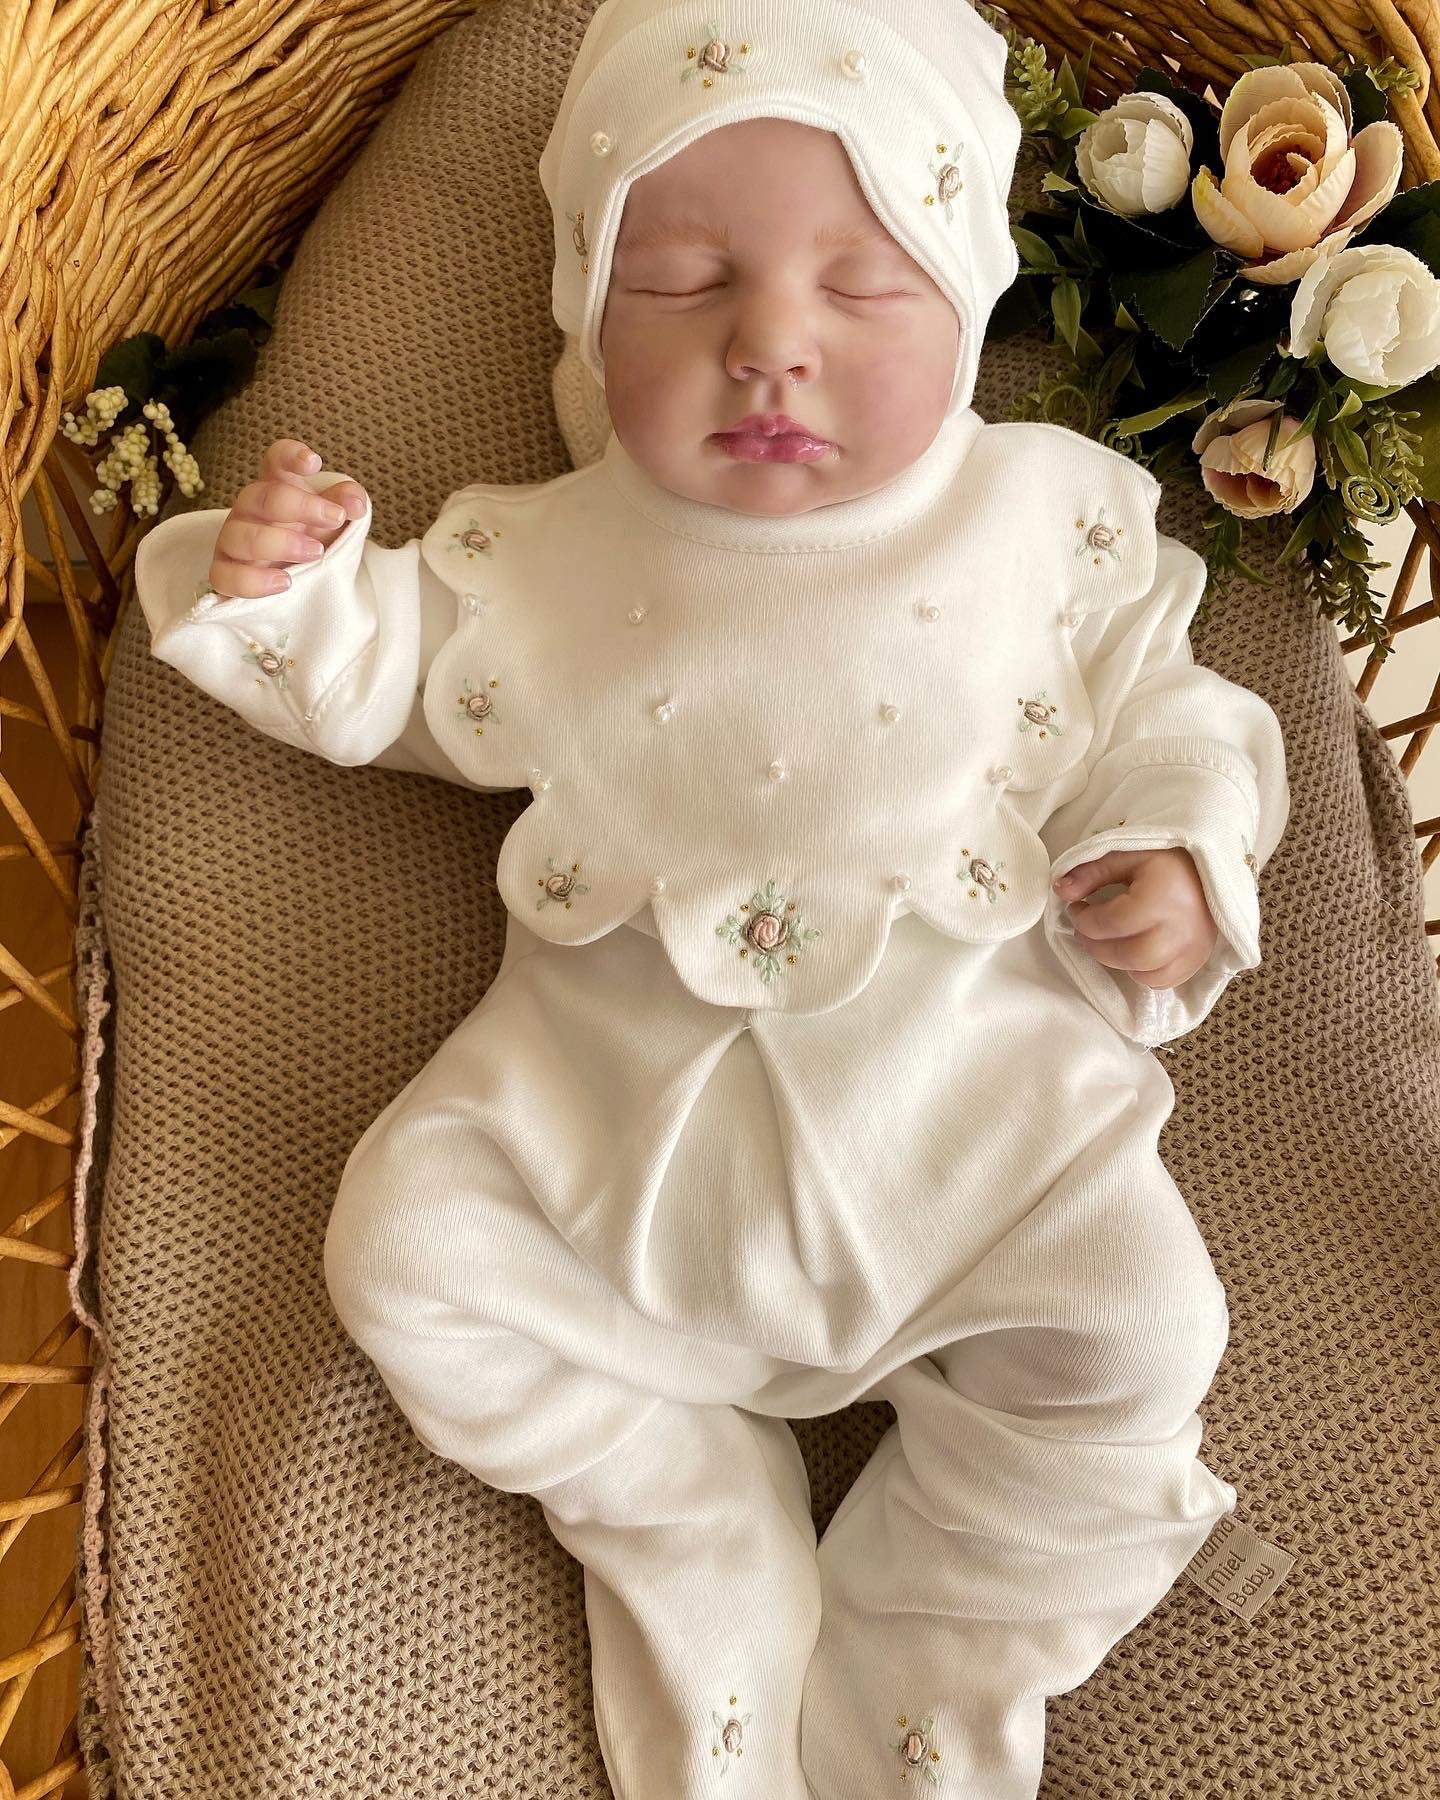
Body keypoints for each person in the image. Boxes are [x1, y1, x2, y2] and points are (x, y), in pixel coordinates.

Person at [132, 0, 1291, 1793]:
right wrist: (288, 585)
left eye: (863, 284)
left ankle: (928, 1652)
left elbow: (1173, 707)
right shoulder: (548, 551)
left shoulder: (1041, 524)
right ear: (589, 312)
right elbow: (389, 670)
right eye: (680, 283)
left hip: (978, 1133)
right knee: (407, 1252)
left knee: (1144, 1331)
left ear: (966, 291)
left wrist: (1178, 852)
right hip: (618, 1143)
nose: (770, 345)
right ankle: (683, 1508)